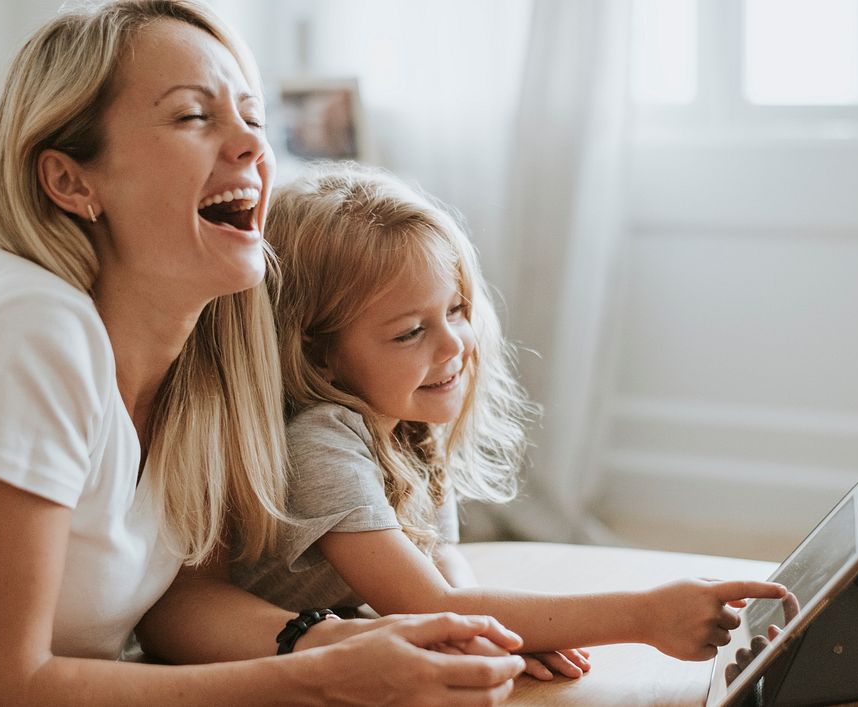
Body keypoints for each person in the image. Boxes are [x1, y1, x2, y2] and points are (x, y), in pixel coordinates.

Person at [0, 3, 528, 705]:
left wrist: (328, 639)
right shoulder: (31, 332)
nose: (251, 144)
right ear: (70, 181)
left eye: (253, 115)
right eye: (194, 116)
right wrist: (316, 679)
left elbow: (180, 596)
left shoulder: (200, 345)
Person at [236, 161, 791, 678]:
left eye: (455, 310)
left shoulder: (403, 418)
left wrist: (500, 631)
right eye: (410, 332)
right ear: (316, 353)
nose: (455, 343)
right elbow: (428, 604)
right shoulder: (321, 444)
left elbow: (440, 559)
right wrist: (644, 615)